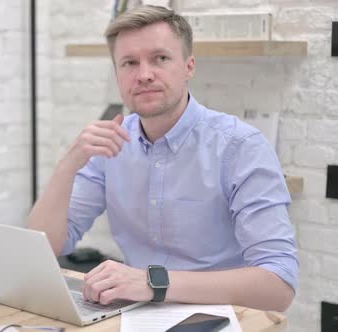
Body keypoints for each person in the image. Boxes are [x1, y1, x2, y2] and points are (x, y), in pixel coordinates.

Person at [28, 5, 298, 312]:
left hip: (217, 317)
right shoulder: (112, 143)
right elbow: (46, 246)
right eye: (129, 63)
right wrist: (68, 165)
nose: (144, 75)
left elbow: (279, 285)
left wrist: (152, 283)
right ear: (117, 74)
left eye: (160, 58)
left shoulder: (240, 147)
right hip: (135, 315)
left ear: (189, 67)